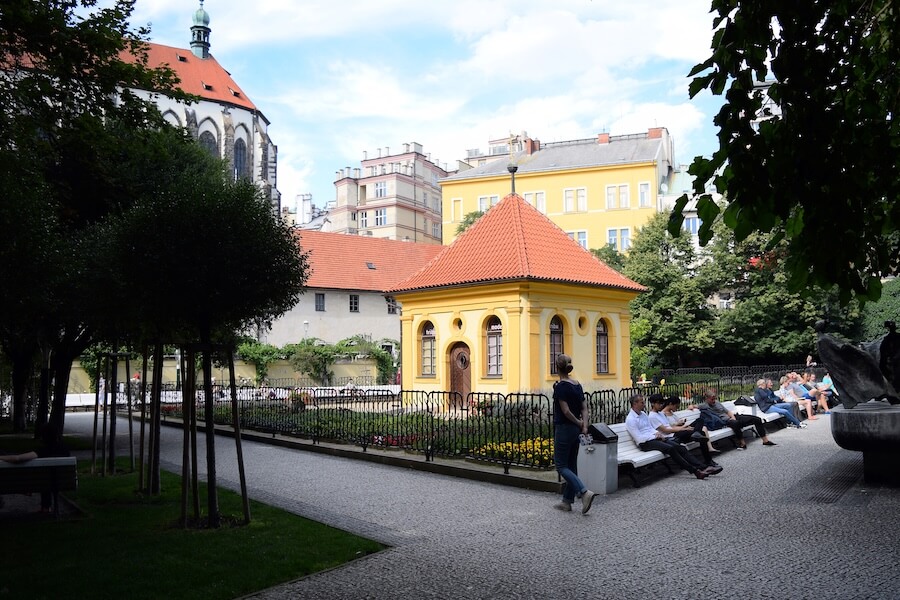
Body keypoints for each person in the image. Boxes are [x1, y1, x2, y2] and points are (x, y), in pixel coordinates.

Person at [624, 395, 717, 479]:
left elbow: (650, 428)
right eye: (642, 402)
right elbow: (639, 438)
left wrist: (657, 433)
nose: (644, 404)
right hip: (646, 443)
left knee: (680, 448)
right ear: (635, 403)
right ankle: (695, 471)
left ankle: (704, 467)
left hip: (655, 438)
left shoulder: (643, 414)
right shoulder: (631, 419)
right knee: (671, 448)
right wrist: (655, 436)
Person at [551, 353, 596, 514]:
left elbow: (565, 411)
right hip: (576, 430)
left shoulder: (561, 387)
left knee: (561, 465)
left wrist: (578, 422)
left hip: (564, 428)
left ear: (557, 367)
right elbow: (584, 407)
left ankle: (584, 492)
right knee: (571, 465)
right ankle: (566, 502)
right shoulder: (577, 385)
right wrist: (584, 425)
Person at [0, 423, 70, 513]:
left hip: (41, 482)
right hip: (62, 481)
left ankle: (33, 496)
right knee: (48, 476)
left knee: (44, 478)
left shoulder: (42, 451)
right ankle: (46, 508)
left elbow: (17, 459)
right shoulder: (65, 449)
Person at [648, 394, 722, 472]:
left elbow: (670, 426)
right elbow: (666, 430)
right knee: (700, 433)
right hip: (671, 436)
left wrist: (683, 427)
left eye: (662, 403)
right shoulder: (652, 416)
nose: (661, 405)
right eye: (659, 403)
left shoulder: (661, 414)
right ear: (653, 404)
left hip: (677, 432)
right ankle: (696, 434)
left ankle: (708, 460)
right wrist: (683, 429)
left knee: (700, 422)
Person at [699, 388, 777, 449]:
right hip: (726, 422)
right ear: (707, 399)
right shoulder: (705, 406)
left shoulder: (717, 403)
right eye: (712, 399)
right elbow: (696, 406)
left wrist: (733, 417)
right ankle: (742, 443)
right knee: (735, 424)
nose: (714, 401)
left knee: (757, 419)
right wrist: (692, 406)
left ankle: (765, 441)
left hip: (733, 417)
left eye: (714, 398)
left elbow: (728, 411)